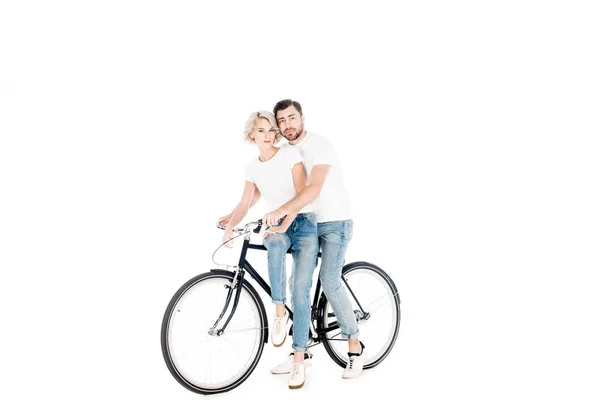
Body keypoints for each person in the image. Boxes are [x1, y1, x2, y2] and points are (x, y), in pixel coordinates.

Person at [263, 99, 368, 379]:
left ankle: (355, 346)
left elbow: (313, 189)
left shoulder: (320, 145)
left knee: (330, 282)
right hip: (304, 223)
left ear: (302, 118)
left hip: (334, 222)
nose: (288, 125)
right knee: (297, 284)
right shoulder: (283, 152)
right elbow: (267, 182)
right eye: (282, 121)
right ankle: (302, 350)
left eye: (292, 118)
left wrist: (280, 211)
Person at [219, 111, 319, 390]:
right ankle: (278, 312)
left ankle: (299, 358)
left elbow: (302, 195)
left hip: (305, 222)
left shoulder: (288, 155)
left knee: (300, 290)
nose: (267, 134)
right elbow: (245, 202)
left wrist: (282, 221)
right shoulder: (252, 168)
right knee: (272, 242)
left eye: (270, 130)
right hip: (279, 224)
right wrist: (229, 226)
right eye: (260, 130)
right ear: (251, 134)